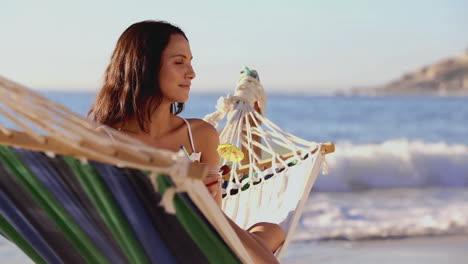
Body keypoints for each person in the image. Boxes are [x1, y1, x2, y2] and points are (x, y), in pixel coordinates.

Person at [88, 20, 285, 263]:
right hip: (142, 251)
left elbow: (215, 222)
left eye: (190, 62)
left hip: (198, 243)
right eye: (179, 62)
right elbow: (103, 224)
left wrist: (205, 199)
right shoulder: (104, 141)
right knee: (264, 242)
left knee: (272, 230)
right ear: (145, 66)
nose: (191, 73)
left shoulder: (200, 135)